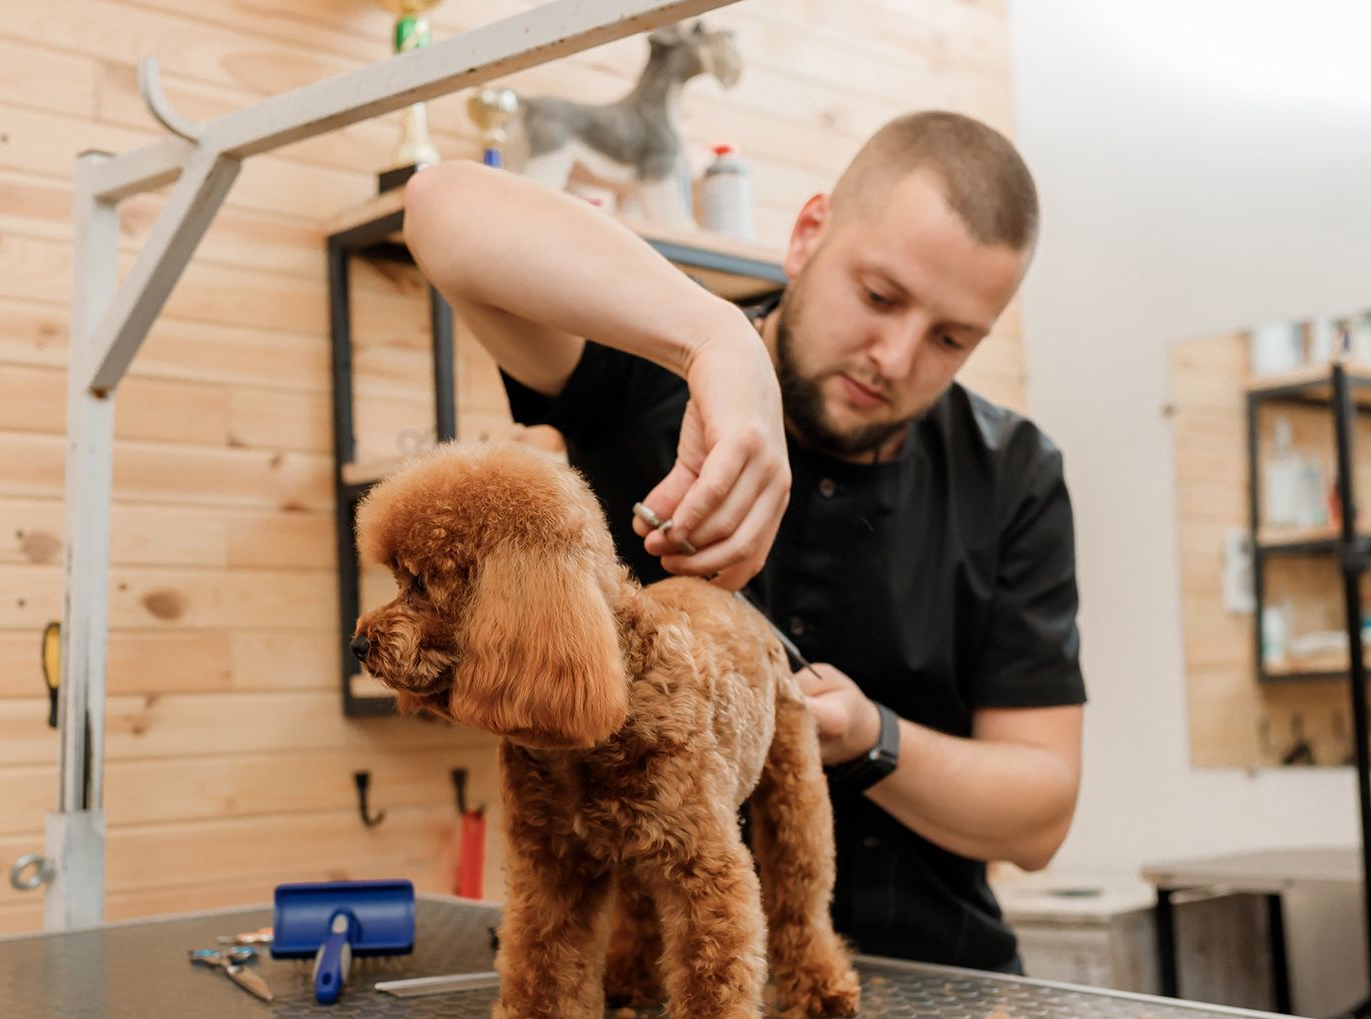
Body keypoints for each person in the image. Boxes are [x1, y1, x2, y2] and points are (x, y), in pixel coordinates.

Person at [403, 110, 1084, 973]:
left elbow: (1040, 816)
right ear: (807, 236)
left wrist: (870, 735)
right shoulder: (646, 378)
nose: (896, 355)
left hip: (929, 979)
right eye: (879, 297)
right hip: (649, 994)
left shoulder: (1013, 474)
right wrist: (715, 341)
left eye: (951, 339)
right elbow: (439, 207)